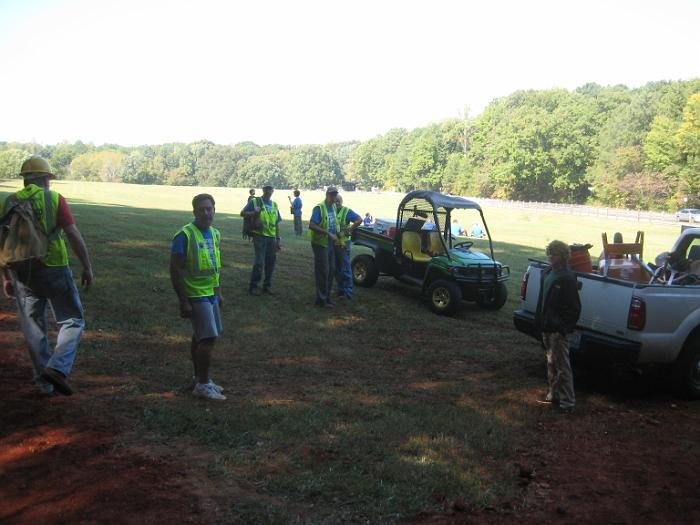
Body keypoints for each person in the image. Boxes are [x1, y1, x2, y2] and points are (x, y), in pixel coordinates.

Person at [1, 156, 93, 396]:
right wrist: (87, 266)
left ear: (25, 179)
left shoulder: (10, 201)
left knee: (33, 327)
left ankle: (45, 384)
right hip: (54, 267)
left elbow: (3, 241)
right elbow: (73, 234)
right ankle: (57, 368)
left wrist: (6, 276)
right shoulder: (54, 199)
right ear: (45, 178)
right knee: (72, 320)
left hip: (22, 271)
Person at [169, 193, 225, 401]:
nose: (206, 213)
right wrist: (183, 301)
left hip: (210, 294)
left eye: (209, 208)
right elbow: (174, 269)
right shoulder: (184, 235)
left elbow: (215, 266)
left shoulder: (215, 234)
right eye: (201, 209)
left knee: (200, 336)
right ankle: (203, 384)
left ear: (214, 210)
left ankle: (199, 378)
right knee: (209, 338)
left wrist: (218, 293)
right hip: (195, 294)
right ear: (194, 211)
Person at [538, 240, 581, 413]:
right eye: (549, 253)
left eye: (554, 254)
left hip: (558, 330)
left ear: (562, 257)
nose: (550, 257)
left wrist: (563, 327)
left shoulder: (567, 278)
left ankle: (568, 402)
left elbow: (575, 308)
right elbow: (543, 301)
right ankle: (554, 394)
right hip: (546, 327)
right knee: (550, 363)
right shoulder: (548, 272)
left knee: (563, 366)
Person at [240, 184, 282, 295]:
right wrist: (254, 213)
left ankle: (267, 286)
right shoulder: (255, 202)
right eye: (266, 189)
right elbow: (242, 213)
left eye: (271, 189)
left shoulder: (274, 205)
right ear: (263, 190)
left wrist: (278, 239)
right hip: (259, 236)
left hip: (271, 238)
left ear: (273, 191)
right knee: (259, 262)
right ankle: (253, 286)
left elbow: (277, 223)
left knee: (271, 262)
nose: (269, 191)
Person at [309, 187, 339, 307]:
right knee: (323, 271)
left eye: (335, 195)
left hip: (331, 243)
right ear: (327, 195)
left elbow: (334, 224)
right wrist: (327, 233)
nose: (333, 197)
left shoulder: (334, 207)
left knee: (331, 270)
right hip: (321, 244)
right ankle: (321, 300)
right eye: (332, 195)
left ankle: (327, 297)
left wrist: (338, 236)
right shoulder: (319, 208)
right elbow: (311, 225)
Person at [334, 194, 363, 299]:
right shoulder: (331, 211)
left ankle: (348, 292)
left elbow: (359, 219)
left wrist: (350, 229)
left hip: (343, 245)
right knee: (337, 268)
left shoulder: (346, 211)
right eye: (334, 201)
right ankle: (341, 290)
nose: (336, 203)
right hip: (334, 243)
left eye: (338, 201)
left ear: (341, 202)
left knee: (345, 268)